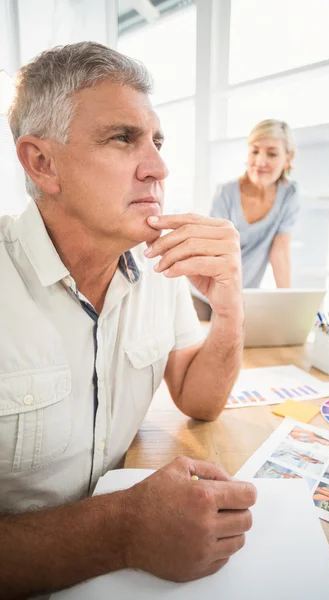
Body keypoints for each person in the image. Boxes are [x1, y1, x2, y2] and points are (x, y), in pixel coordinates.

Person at [0, 42, 257, 599]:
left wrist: (230, 303)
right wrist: (122, 532)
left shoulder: (154, 264)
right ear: (41, 163)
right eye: (123, 138)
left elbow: (199, 397)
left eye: (157, 141)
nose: (159, 167)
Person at [192, 119, 299, 321]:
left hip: (241, 295)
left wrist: (287, 309)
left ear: (288, 157)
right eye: (255, 151)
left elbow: (280, 251)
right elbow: (216, 251)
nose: (260, 161)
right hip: (203, 292)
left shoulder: (289, 195)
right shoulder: (226, 193)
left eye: (272, 153)